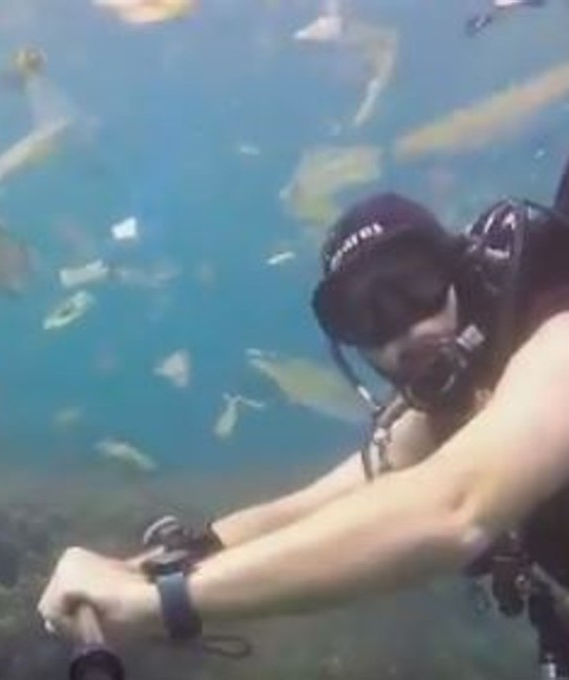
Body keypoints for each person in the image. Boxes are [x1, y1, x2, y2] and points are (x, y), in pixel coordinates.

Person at [37, 155, 569, 675]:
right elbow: (313, 508)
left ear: (460, 271)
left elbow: (452, 509)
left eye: (412, 285)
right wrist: (149, 569)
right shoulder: (464, 398)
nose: (401, 327)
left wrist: (164, 605)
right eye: (363, 315)